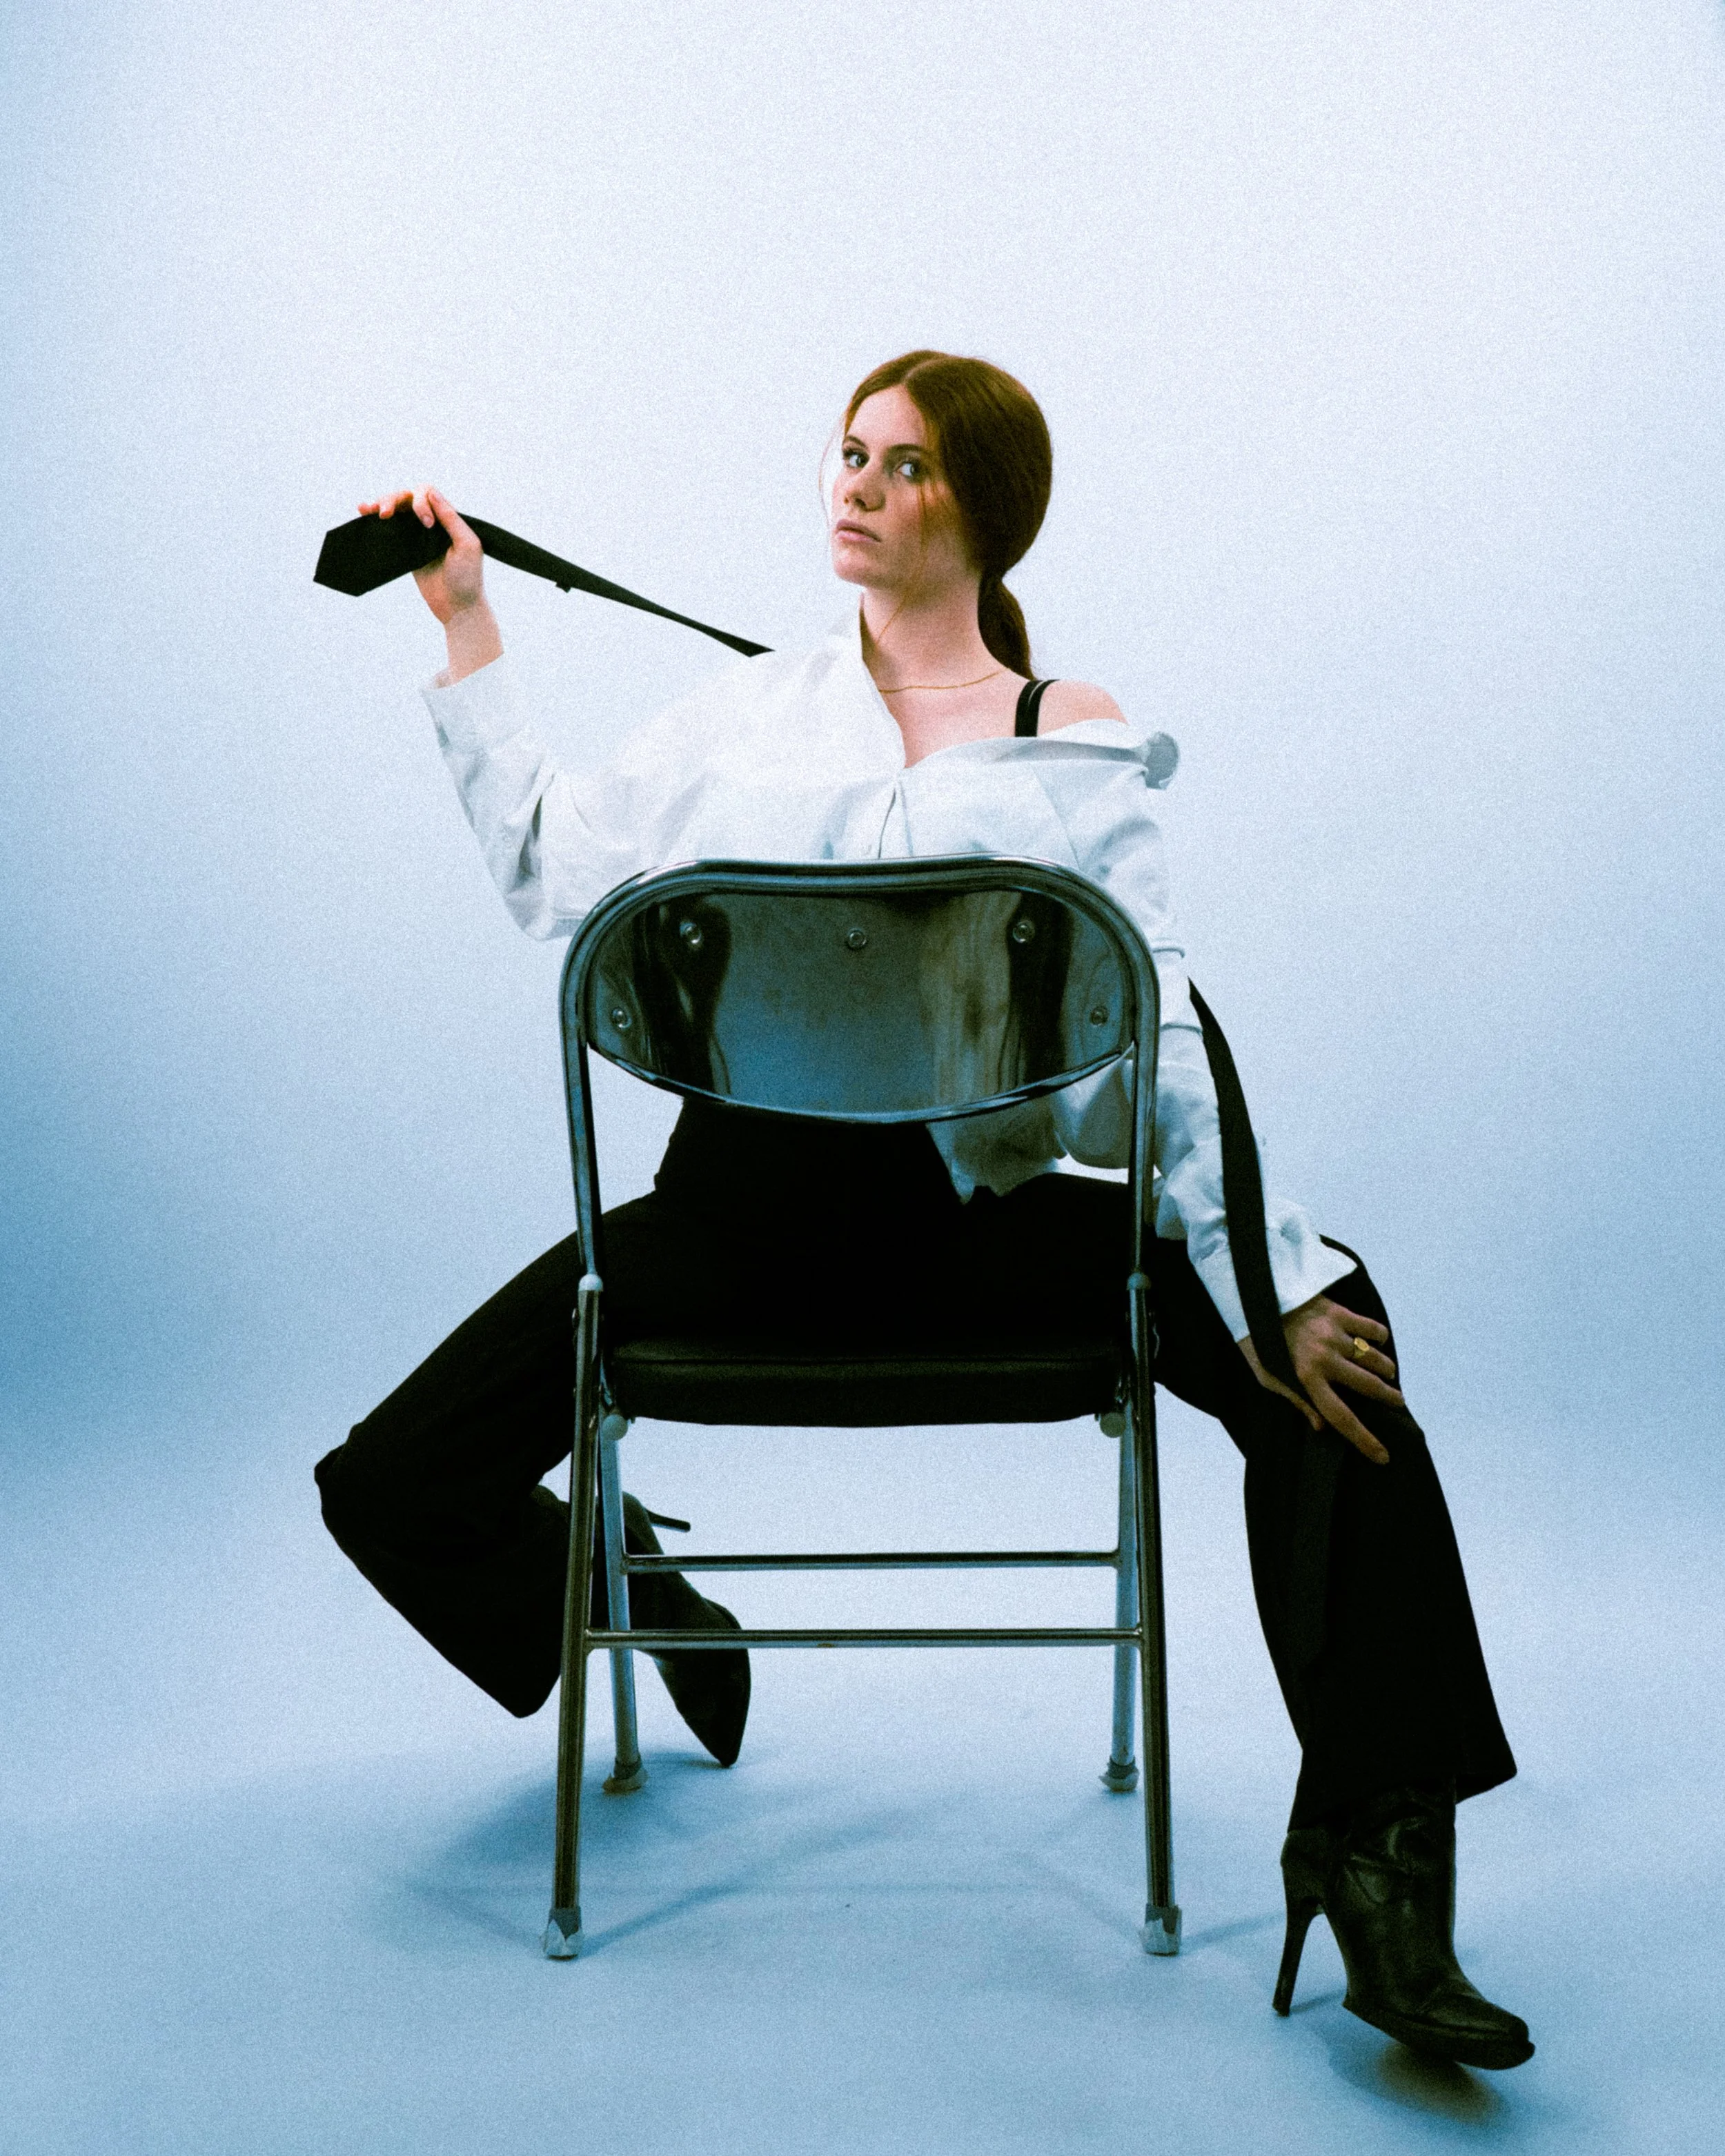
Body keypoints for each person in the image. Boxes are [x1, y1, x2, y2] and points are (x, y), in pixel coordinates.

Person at [315, 350, 1532, 2070]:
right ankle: (618, 1573)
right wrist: (465, 625)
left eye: (906, 464)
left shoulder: (1062, 732)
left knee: (1339, 1339)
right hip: (733, 1233)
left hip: (976, 1232)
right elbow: (549, 871)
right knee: (384, 1484)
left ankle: (1377, 1861)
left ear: (986, 507)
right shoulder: (745, 716)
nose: (859, 484)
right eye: (848, 453)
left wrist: (1261, 1271)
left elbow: (1156, 1018)